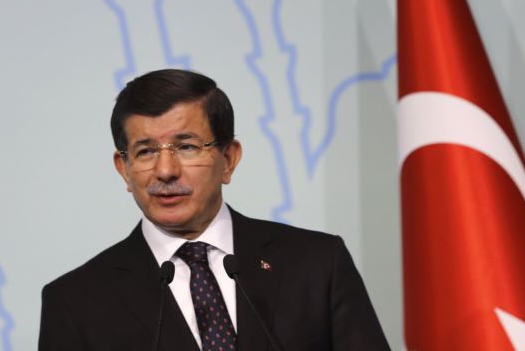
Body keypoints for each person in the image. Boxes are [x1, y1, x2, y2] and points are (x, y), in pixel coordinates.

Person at [39, 69, 389, 350]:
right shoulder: (74, 302)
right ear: (124, 169)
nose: (165, 171)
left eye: (187, 147)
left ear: (229, 159)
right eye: (145, 152)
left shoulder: (318, 263)